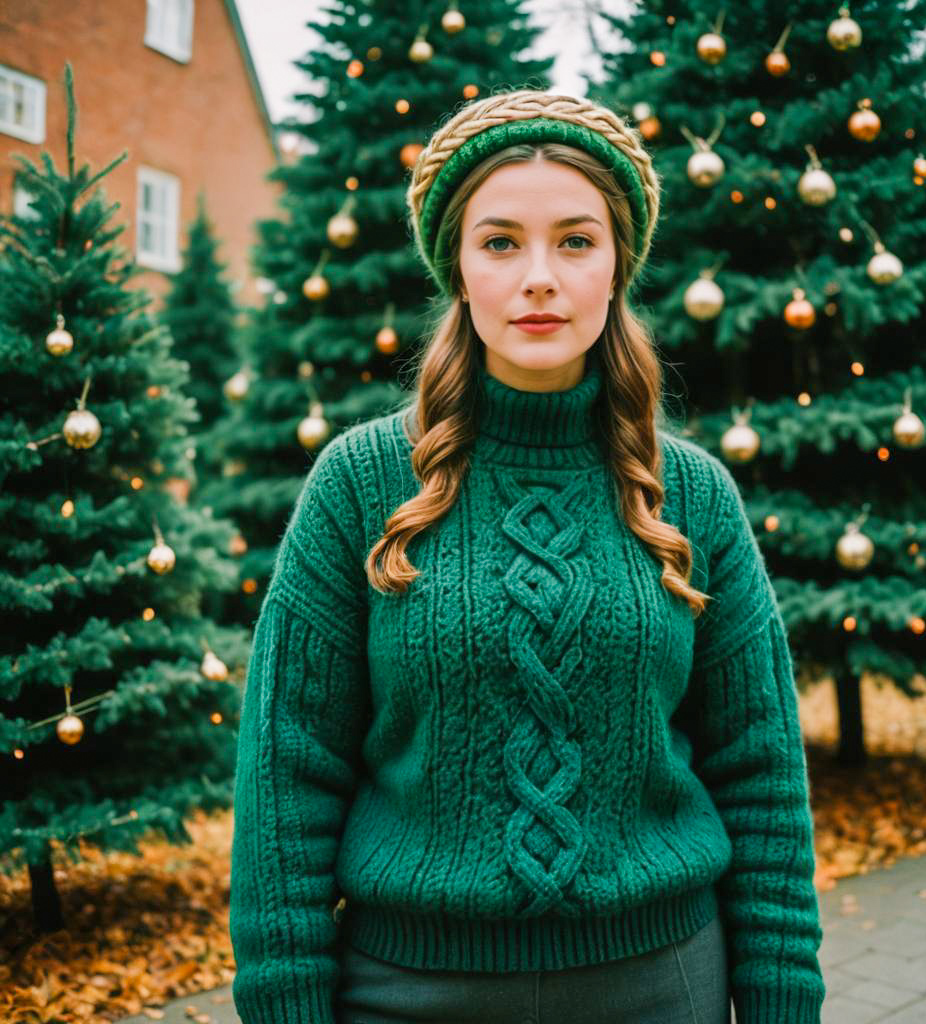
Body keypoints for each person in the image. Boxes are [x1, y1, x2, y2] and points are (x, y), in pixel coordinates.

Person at [228, 89, 826, 1024]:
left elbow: (762, 778)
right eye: (501, 242)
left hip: (663, 987)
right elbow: (287, 777)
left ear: (617, 266)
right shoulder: (360, 484)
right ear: (459, 270)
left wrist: (784, 1001)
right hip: (406, 993)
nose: (538, 277)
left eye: (576, 241)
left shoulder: (693, 495)